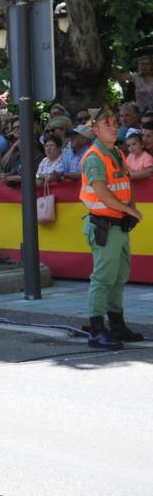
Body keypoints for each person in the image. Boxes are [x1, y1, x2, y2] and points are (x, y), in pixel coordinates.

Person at [79, 106, 145, 349]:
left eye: (115, 123)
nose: (115, 126)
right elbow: (103, 194)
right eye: (108, 124)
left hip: (119, 225)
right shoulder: (95, 157)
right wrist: (131, 211)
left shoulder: (116, 151)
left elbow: (125, 183)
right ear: (95, 130)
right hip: (105, 225)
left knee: (119, 278)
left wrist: (130, 210)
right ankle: (96, 332)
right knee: (103, 279)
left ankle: (117, 326)